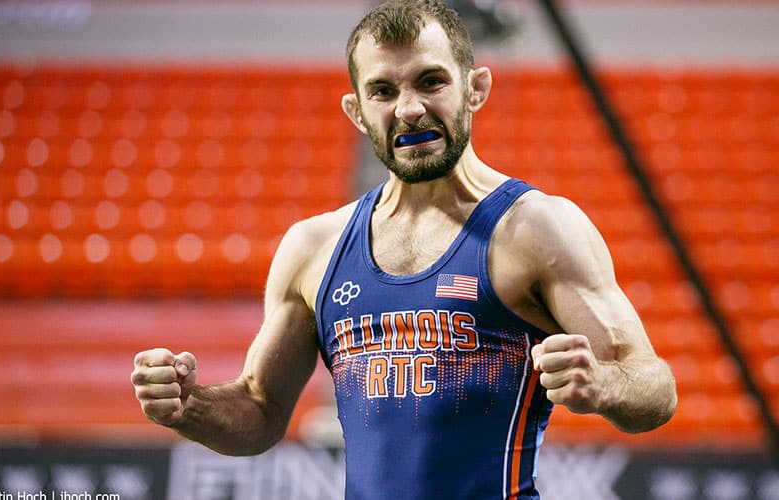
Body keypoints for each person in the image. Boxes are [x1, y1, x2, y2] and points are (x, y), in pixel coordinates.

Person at [130, 1, 677, 498]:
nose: (410, 109)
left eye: (431, 81)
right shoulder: (313, 248)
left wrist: (603, 383)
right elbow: (260, 410)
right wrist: (189, 406)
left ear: (476, 88)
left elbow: (656, 389)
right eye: (383, 91)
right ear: (356, 111)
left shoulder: (538, 228)